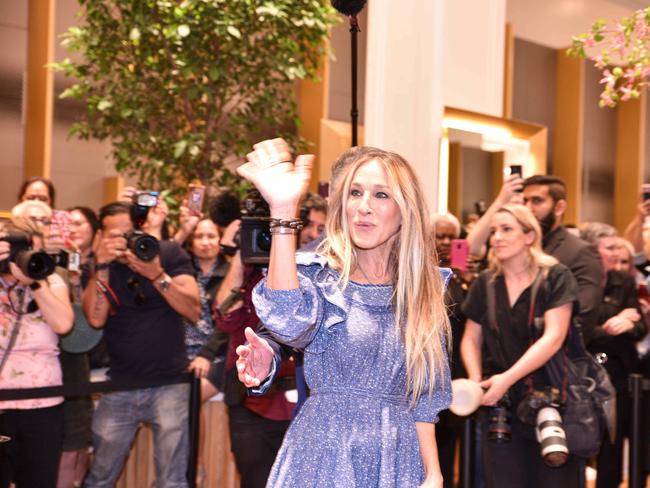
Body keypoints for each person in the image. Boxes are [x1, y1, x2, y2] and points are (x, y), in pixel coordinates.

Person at [236, 139, 452, 487]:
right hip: (323, 452)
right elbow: (288, 319)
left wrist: (434, 474)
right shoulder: (319, 276)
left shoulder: (425, 291)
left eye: (380, 195)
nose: (363, 206)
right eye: (355, 193)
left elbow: (425, 400)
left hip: (396, 458)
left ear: (405, 210)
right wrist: (283, 212)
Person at [460, 204, 581, 487]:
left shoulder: (556, 277)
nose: (496, 238)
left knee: (553, 480)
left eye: (506, 229)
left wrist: (506, 379)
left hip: (551, 399)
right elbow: (471, 338)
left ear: (529, 236)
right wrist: (477, 381)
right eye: (493, 231)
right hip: (500, 405)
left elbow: (553, 338)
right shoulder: (486, 283)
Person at [82, 202, 200, 488]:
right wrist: (102, 265)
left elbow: (193, 309)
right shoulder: (98, 264)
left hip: (171, 383)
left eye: (129, 232)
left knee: (173, 479)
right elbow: (96, 319)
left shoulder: (168, 253)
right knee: (99, 476)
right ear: (101, 235)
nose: (125, 241)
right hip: (120, 384)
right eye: (115, 235)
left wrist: (157, 274)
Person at [0, 217, 74, 488]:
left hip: (43, 405)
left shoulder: (51, 281)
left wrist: (34, 281)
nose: (26, 258)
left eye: (34, 252)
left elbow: (63, 324)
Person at [579, 223, 646, 488]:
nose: (616, 252)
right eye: (610, 247)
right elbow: (576, 330)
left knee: (614, 442)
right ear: (593, 251)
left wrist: (630, 324)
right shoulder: (580, 282)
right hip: (584, 371)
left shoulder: (624, 281)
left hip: (619, 373)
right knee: (584, 439)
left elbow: (640, 326)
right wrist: (608, 329)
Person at [522, 175, 604, 345]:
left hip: (555, 359)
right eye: (525, 201)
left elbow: (582, 318)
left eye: (537, 201)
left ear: (559, 207)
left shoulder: (581, 252)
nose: (528, 208)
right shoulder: (517, 249)